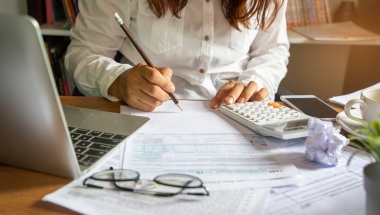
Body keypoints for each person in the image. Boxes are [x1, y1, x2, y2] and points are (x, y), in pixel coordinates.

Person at [65, 0, 289, 112]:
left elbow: (272, 51)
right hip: (143, 113)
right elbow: (84, 51)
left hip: (237, 114)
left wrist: (255, 83)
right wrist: (116, 80)